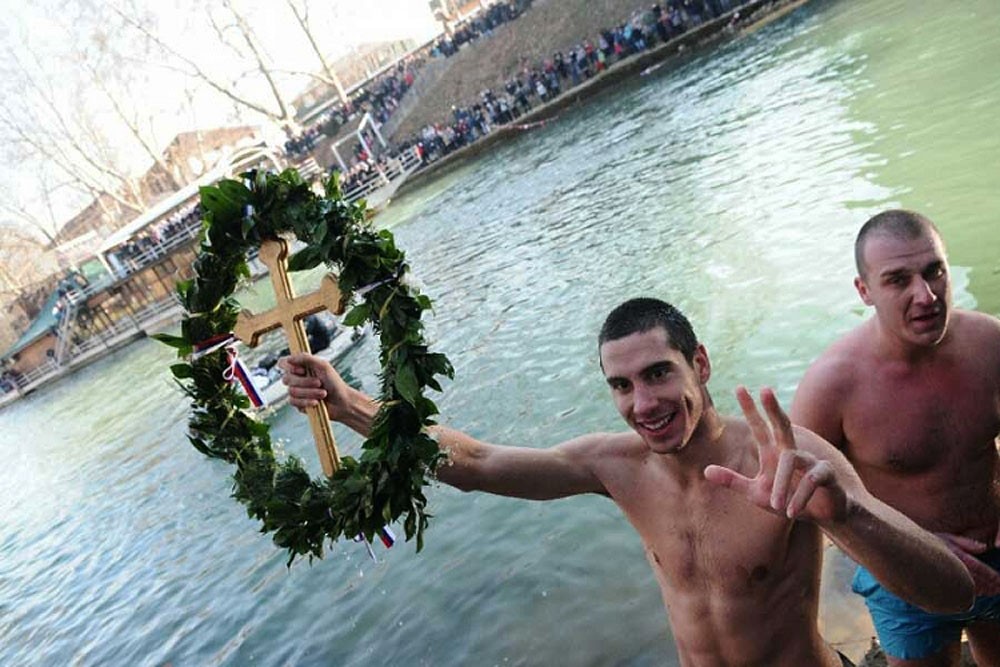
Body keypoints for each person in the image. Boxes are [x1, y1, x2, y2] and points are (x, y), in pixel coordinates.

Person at [282, 297, 973, 667]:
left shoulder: (785, 457)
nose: (643, 403)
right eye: (621, 384)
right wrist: (350, 406)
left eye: (658, 373)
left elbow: (951, 591)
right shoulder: (614, 466)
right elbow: (479, 464)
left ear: (700, 364)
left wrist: (848, 514)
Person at [791, 210, 1000, 667]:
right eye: (898, 280)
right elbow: (811, 505)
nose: (925, 296)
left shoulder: (990, 343)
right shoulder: (832, 386)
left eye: (934, 271)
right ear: (864, 290)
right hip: (905, 580)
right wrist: (918, 547)